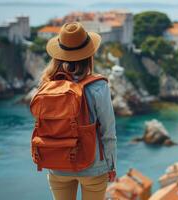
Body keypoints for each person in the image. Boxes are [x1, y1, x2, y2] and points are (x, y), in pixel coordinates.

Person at [38, 22, 116, 200]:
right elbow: (108, 132)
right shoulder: (98, 86)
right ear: (89, 55)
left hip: (57, 165)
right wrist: (111, 165)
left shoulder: (46, 85)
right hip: (93, 167)